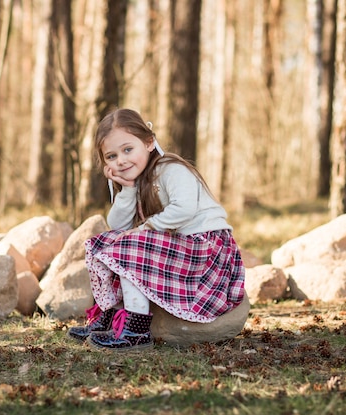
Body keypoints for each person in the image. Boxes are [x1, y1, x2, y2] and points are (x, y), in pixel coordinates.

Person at [67, 108, 246, 351]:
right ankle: (111, 317)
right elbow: (117, 225)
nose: (121, 160)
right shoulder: (137, 181)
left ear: (149, 142)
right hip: (180, 246)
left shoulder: (170, 169)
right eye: (111, 156)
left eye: (128, 149)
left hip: (206, 249)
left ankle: (136, 330)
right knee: (106, 242)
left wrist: (146, 227)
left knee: (130, 246)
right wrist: (128, 189)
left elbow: (185, 209)